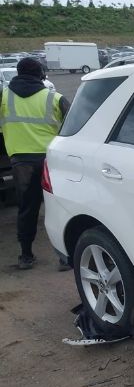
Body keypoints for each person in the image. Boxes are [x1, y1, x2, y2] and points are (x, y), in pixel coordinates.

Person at [0, 57, 70, 270]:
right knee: (58, 208)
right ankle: (64, 258)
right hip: (52, 161)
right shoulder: (55, 98)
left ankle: (26, 256)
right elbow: (75, 128)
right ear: (41, 74)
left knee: (27, 208)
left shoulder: (3, 98)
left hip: (21, 162)